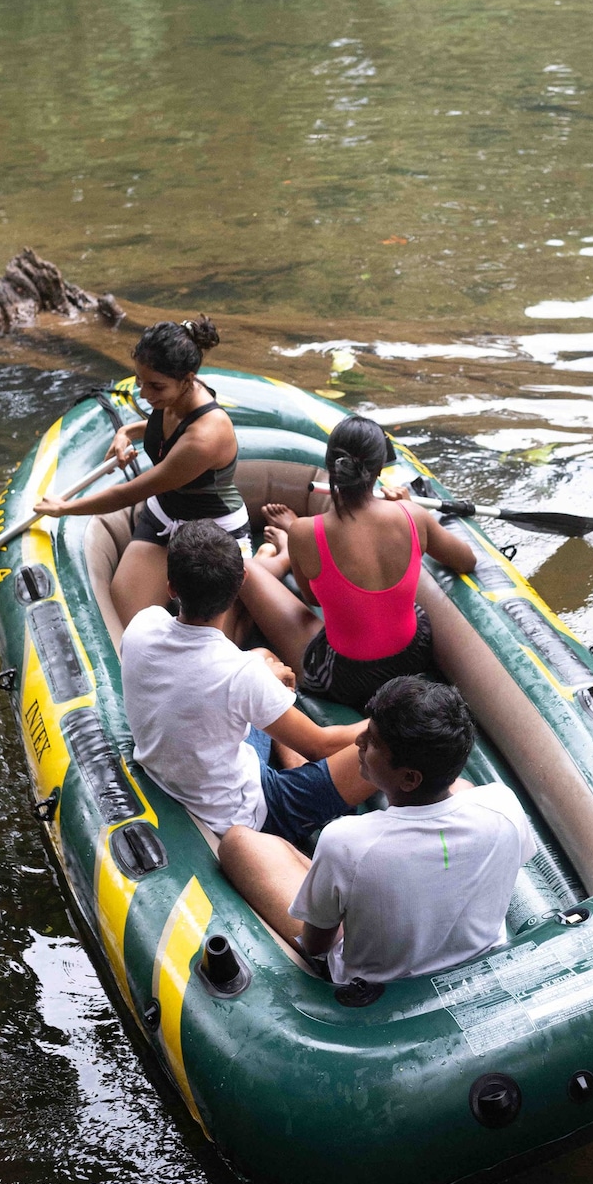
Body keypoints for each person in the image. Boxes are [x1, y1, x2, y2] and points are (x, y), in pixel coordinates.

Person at [219, 675, 535, 985]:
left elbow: (316, 946)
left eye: (372, 742)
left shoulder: (346, 842)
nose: (358, 741)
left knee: (240, 841)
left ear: (410, 779)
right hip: (475, 955)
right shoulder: (504, 804)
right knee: (465, 789)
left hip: (376, 987)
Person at [121, 521, 375, 847]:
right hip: (245, 810)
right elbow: (321, 745)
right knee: (393, 742)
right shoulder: (239, 675)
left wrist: (262, 675)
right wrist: (384, 721)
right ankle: (297, 780)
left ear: (171, 587)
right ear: (241, 583)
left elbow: (211, 680)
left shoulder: (144, 623)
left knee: (261, 656)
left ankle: (291, 762)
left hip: (175, 769)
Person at [239, 414, 477, 711]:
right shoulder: (412, 515)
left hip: (349, 676)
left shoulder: (305, 532)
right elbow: (466, 560)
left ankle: (284, 553)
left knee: (245, 571)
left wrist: (293, 537)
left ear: (332, 466)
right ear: (378, 470)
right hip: (413, 655)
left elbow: (312, 599)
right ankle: (287, 553)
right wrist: (409, 509)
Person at [35, 316, 249, 624]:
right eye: (140, 382)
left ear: (188, 380)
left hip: (212, 537)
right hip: (165, 519)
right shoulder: (176, 395)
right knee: (126, 622)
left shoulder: (206, 437)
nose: (145, 395)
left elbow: (129, 492)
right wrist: (126, 433)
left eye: (156, 386)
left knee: (206, 639)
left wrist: (66, 507)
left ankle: (262, 567)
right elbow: (165, 426)